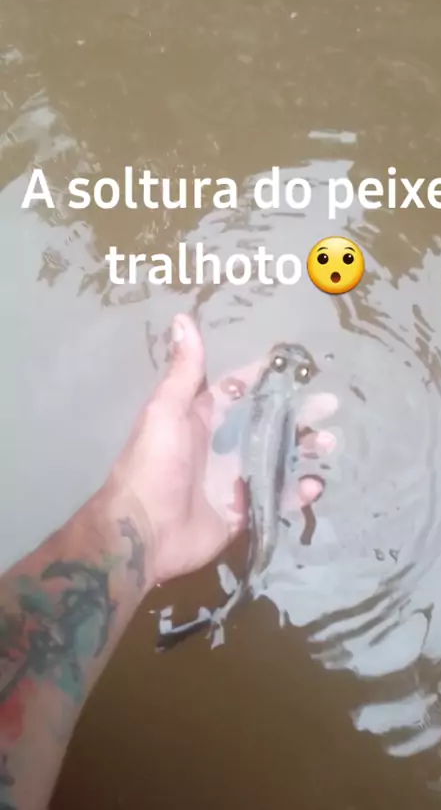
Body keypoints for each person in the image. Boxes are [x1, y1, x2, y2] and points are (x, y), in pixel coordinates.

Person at [0, 314, 338, 810]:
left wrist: (143, 520)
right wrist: (139, 520)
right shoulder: (278, 410)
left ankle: (220, 608)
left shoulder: (264, 407)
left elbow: (229, 440)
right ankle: (225, 608)